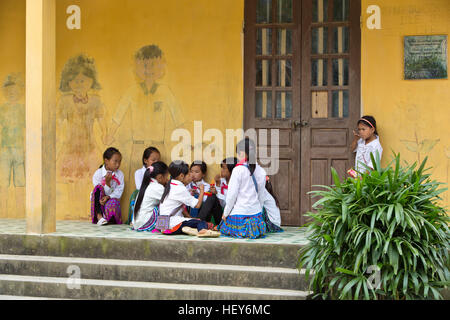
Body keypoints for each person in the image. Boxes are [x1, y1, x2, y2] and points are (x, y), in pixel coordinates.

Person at [57, 54, 107, 183]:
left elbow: (101, 119)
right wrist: (56, 136)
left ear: (91, 81)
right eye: (75, 81)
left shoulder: (96, 101)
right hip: (70, 147)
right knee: (69, 180)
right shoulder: (65, 101)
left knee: (92, 179)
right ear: (68, 82)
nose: (79, 84)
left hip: (89, 146)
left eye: (83, 80)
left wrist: (105, 133)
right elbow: (59, 121)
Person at [219, 138, 267, 239]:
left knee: (222, 228)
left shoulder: (238, 170)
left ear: (241, 153)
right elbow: (262, 196)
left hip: (239, 217)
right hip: (256, 218)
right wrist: (259, 211)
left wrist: (225, 213)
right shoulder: (262, 171)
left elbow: (231, 196)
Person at [159, 161, 220, 237]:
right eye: (188, 174)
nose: (191, 175)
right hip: (172, 224)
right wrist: (201, 191)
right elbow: (197, 205)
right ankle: (202, 230)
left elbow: (180, 207)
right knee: (201, 222)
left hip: (163, 225)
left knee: (193, 221)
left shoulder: (170, 184)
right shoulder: (180, 188)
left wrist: (190, 218)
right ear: (181, 176)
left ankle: (188, 229)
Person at [127, 146, 161, 224]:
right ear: (145, 160)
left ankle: (157, 222)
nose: (156, 162)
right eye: (153, 160)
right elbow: (139, 187)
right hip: (142, 195)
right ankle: (135, 219)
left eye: (158, 160)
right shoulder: (138, 172)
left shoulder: (159, 174)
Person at [91, 147, 124, 226]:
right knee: (98, 188)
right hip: (99, 203)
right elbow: (98, 192)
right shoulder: (98, 174)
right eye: (115, 161)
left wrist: (108, 197)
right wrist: (107, 183)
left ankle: (110, 220)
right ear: (106, 161)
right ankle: (100, 217)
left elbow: (119, 191)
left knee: (113, 203)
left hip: (110, 201)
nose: (118, 164)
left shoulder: (120, 174)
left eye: (119, 161)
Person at [132, 161, 168, 232]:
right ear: (160, 177)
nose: (167, 180)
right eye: (166, 177)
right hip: (145, 224)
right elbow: (170, 200)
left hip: (138, 224)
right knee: (165, 206)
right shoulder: (157, 187)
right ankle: (164, 229)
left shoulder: (147, 185)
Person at [186, 161, 222, 225]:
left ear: (203, 174)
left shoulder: (208, 187)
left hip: (202, 215)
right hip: (188, 215)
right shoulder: (186, 185)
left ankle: (198, 222)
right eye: (191, 171)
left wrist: (200, 193)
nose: (193, 174)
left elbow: (208, 204)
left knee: (211, 197)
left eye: (196, 172)